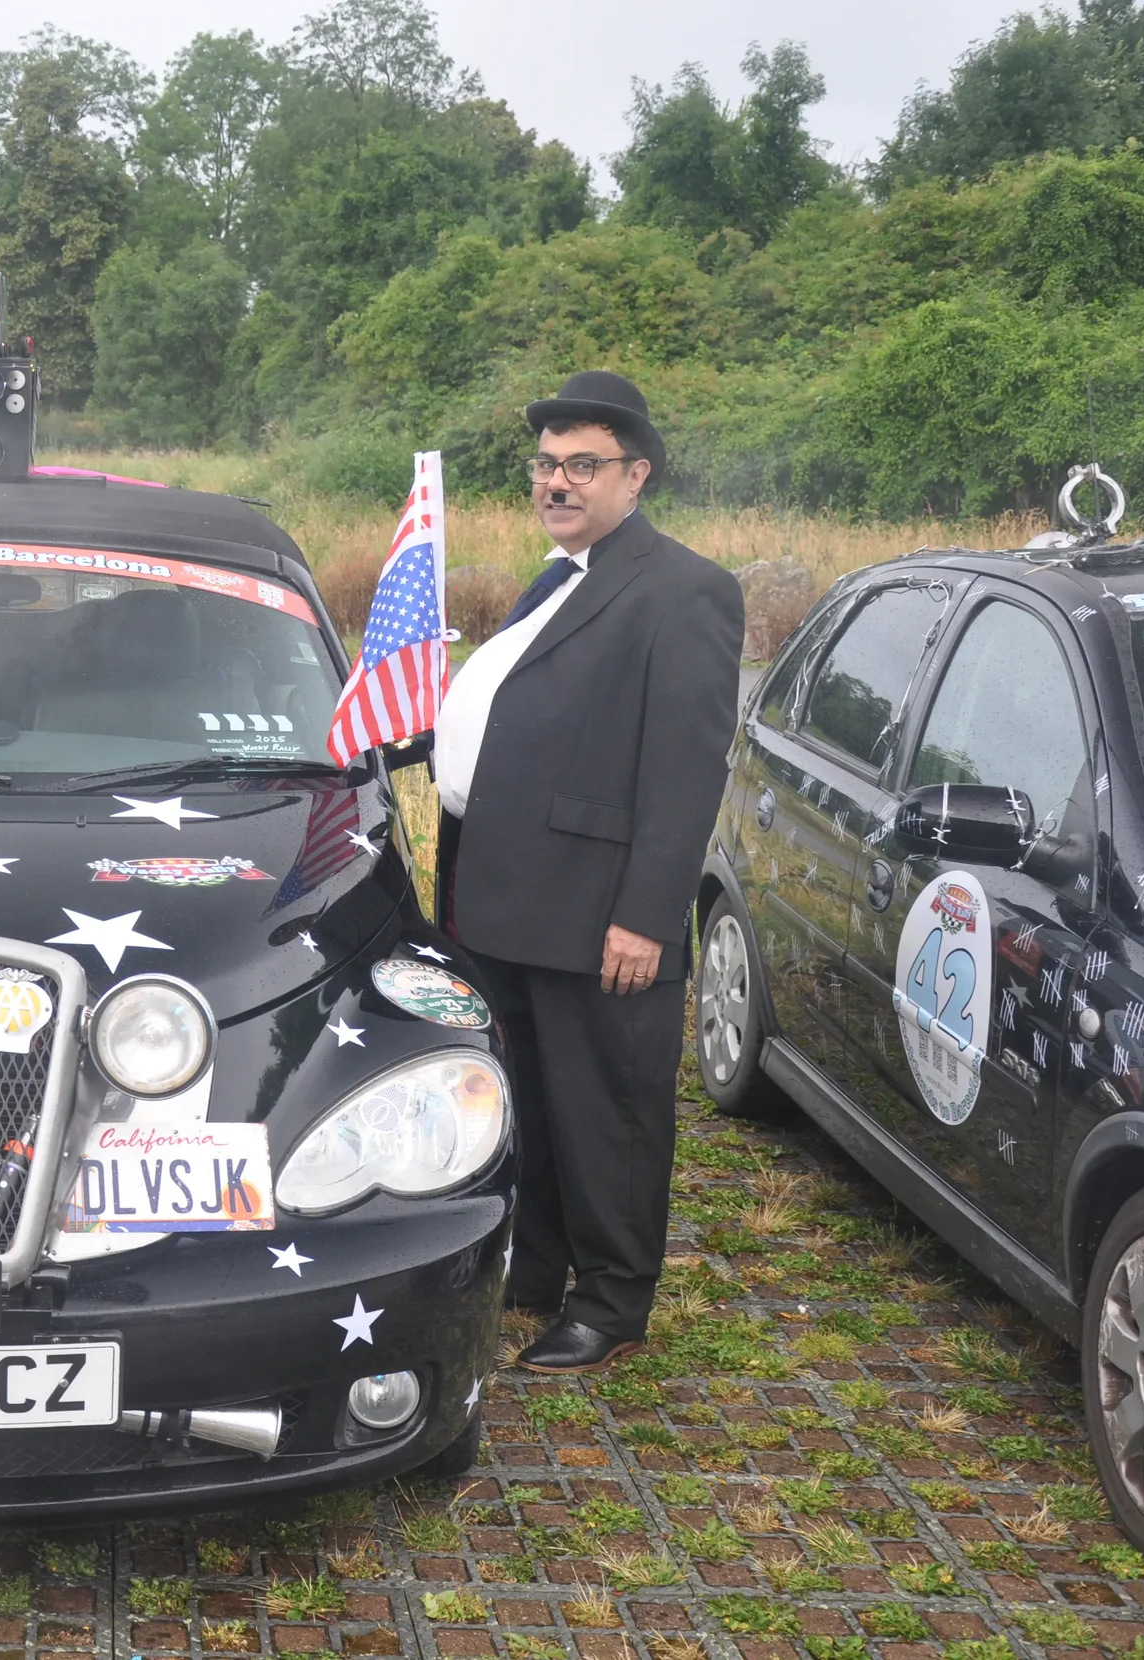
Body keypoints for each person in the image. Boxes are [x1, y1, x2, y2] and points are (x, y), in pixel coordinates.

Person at [430, 370, 742, 1373]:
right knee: (537, 1098)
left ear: (634, 475)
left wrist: (646, 916)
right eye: (546, 464)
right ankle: (541, 1265)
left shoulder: (682, 589)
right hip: (511, 897)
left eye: (581, 465)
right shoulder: (561, 574)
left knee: (607, 1108)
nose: (556, 482)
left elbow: (685, 767)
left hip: (599, 911)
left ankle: (612, 1300)